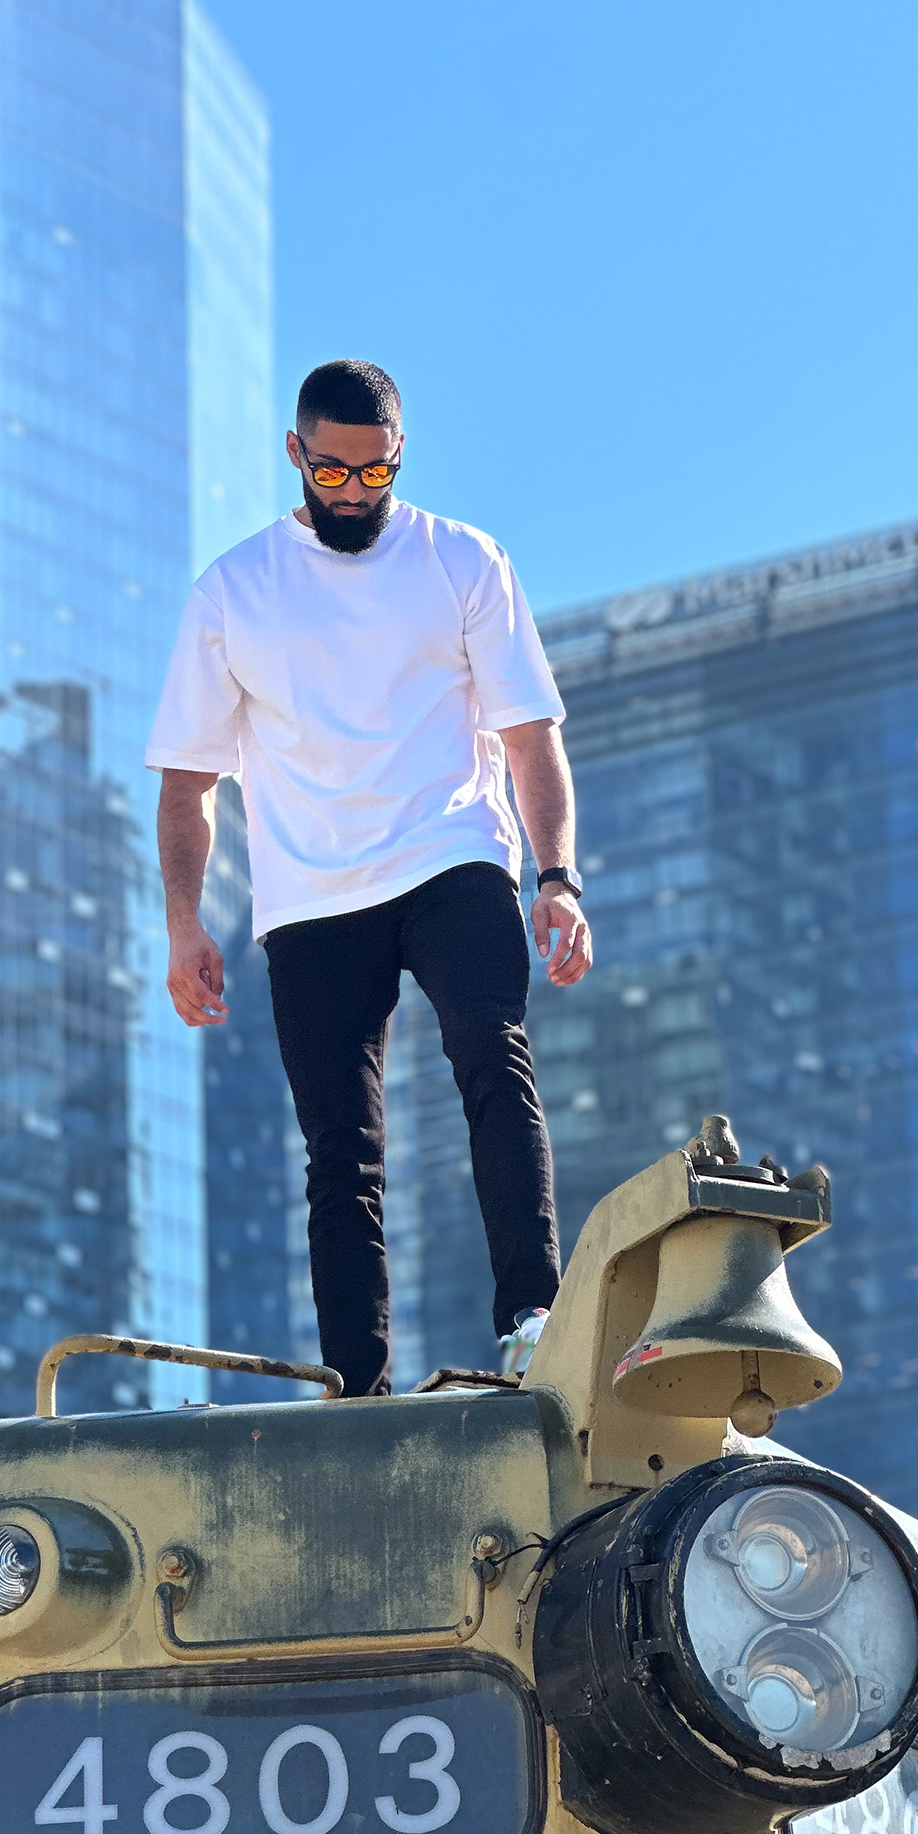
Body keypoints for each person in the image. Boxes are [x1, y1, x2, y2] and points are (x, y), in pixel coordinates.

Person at [146, 357, 592, 1395]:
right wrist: (183, 926)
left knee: (492, 1046)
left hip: (452, 853)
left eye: (375, 475)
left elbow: (530, 737)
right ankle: (359, 1386)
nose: (353, 494)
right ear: (296, 456)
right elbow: (186, 784)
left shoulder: (462, 561)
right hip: (311, 897)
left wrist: (559, 877)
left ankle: (533, 1313)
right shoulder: (233, 590)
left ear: (401, 459)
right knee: (339, 1148)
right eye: (333, 474)